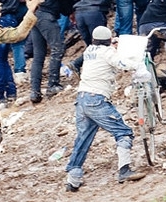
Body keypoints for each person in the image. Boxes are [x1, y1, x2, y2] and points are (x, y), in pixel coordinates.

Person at [64, 25, 149, 192]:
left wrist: (112, 45)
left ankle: (73, 179)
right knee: (123, 132)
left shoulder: (90, 50)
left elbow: (104, 52)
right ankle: (124, 170)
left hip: (82, 99)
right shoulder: (107, 52)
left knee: (83, 138)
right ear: (109, 40)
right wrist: (137, 64)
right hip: (97, 99)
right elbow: (123, 64)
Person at [27, 0, 68, 104]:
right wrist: (68, 9)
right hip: (45, 11)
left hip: (35, 12)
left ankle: (34, 91)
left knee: (39, 54)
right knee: (58, 46)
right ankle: (53, 84)